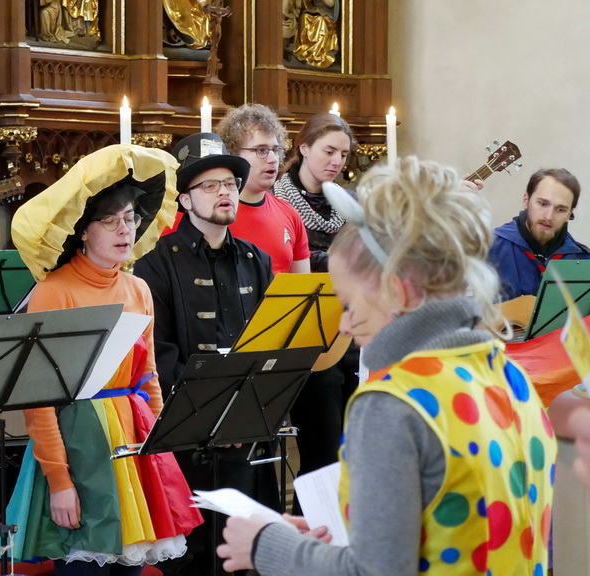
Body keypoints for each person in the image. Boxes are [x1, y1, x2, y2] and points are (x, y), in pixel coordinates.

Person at [216, 157, 557, 576]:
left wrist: (267, 545)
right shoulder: (511, 377)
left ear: (397, 291)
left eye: (349, 304)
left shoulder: (393, 403)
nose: (344, 325)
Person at [6, 144, 202, 574]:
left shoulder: (138, 289)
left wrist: (159, 451)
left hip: (134, 445)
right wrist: (60, 482)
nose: (124, 230)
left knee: (132, 568)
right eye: (110, 221)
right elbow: (38, 400)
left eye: (130, 219)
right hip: (81, 450)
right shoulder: (54, 292)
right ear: (83, 230)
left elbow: (148, 376)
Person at [133, 133, 276, 575]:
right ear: (185, 199)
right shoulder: (155, 263)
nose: (224, 193)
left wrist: (243, 416)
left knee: (244, 551)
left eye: (230, 184)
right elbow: (159, 353)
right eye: (210, 186)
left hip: (246, 429)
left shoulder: (256, 259)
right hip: (187, 433)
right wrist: (212, 418)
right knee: (193, 556)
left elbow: (270, 345)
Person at [272, 112, 359, 500]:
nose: (337, 161)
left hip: (352, 336)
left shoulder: (351, 204)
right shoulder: (277, 201)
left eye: (343, 154)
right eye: (329, 151)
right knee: (322, 457)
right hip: (309, 341)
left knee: (354, 454)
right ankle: (312, 528)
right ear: (304, 148)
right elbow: (285, 262)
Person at [215, 103, 311, 274]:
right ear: (233, 154)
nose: (273, 159)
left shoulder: (290, 214)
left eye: (276, 150)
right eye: (261, 150)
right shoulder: (210, 212)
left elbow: (303, 286)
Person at [489, 168, 590, 301]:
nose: (549, 216)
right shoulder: (488, 247)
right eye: (542, 204)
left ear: (569, 214)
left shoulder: (583, 262)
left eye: (560, 209)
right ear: (526, 200)